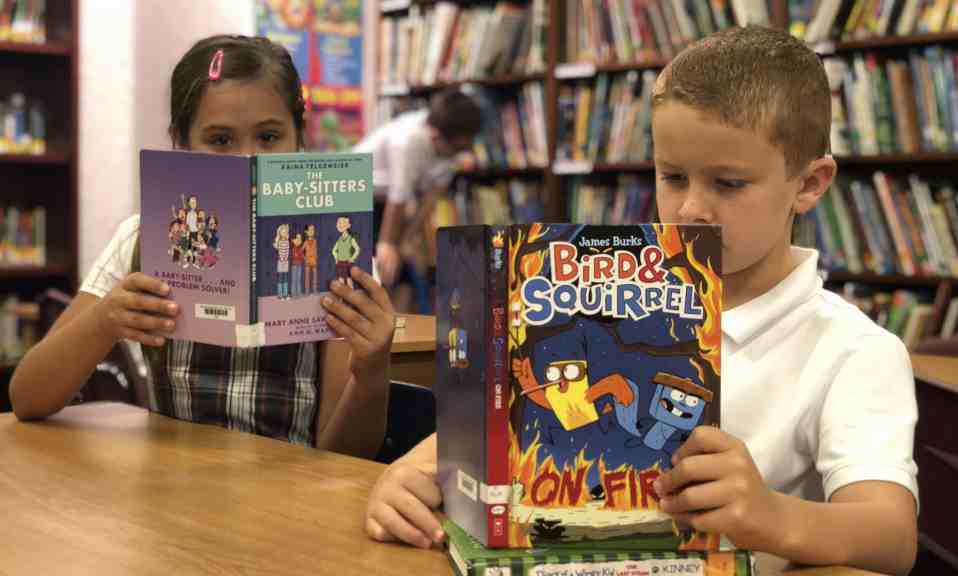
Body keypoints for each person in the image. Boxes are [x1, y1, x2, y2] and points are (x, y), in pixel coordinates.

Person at [363, 26, 919, 576]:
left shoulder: (852, 349)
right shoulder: (594, 298)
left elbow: (891, 536)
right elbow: (497, 433)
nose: (690, 210)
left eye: (728, 183)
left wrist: (771, 515)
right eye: (673, 177)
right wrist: (414, 475)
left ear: (811, 183)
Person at [10, 35, 396, 459]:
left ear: (298, 138)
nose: (248, 160)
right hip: (171, 495)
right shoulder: (140, 237)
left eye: (269, 137)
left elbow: (347, 455)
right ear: (181, 142)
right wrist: (105, 321)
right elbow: (27, 397)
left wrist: (373, 371)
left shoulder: (339, 255)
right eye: (220, 140)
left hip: (292, 502)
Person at [353, 88, 482, 288]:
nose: (462, 154)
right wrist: (387, 244)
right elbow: (398, 196)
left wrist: (406, 239)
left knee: (402, 270)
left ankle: (398, 318)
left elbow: (430, 198)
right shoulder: (406, 140)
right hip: (360, 200)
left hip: (388, 201)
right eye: (457, 149)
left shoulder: (451, 140)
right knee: (379, 268)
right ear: (435, 137)